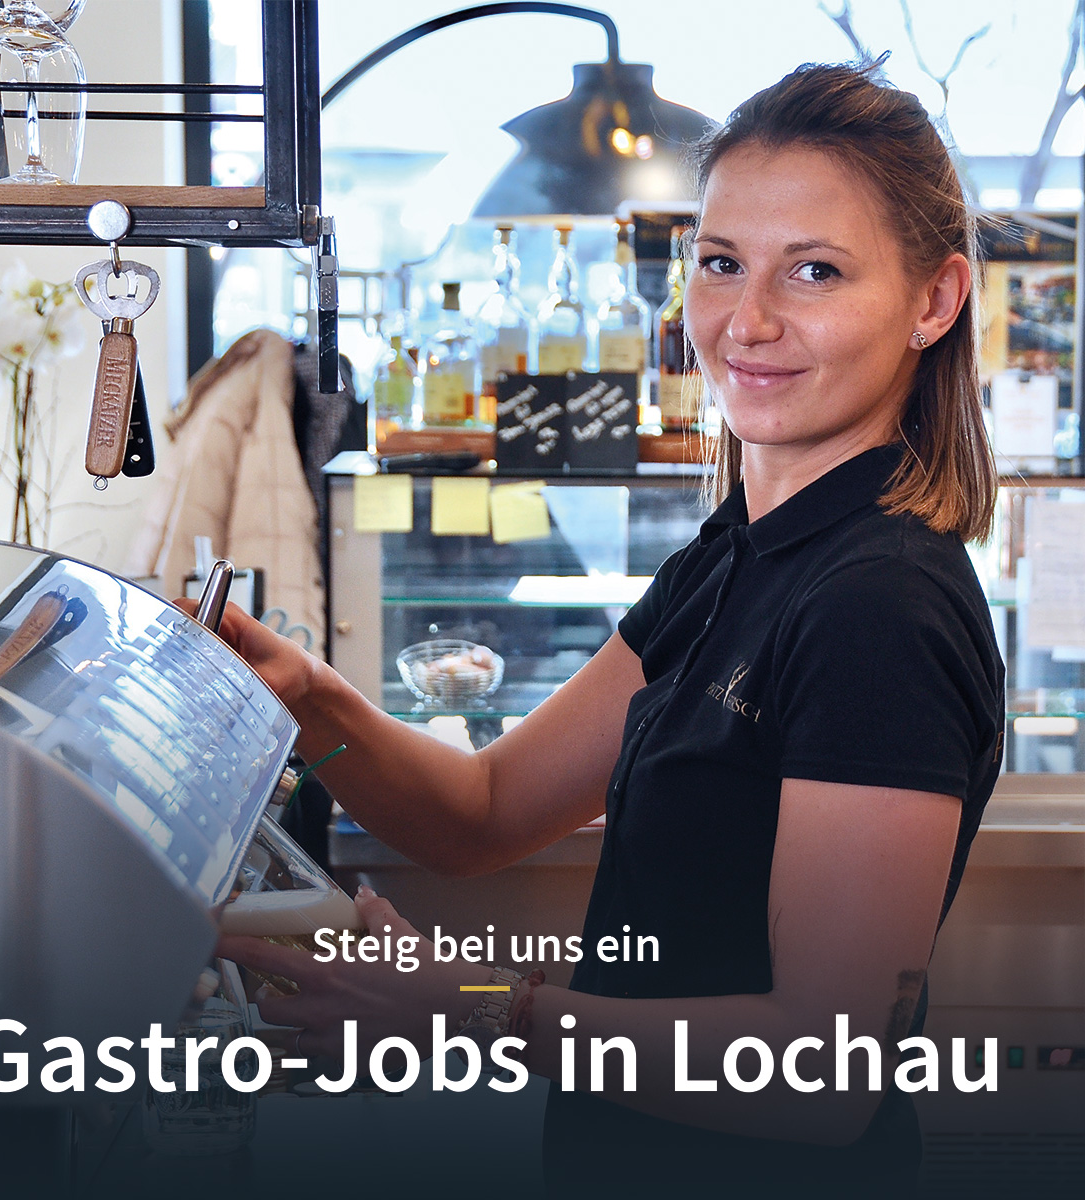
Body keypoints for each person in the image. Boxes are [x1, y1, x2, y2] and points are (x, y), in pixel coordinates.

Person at [202, 62, 1005, 1198]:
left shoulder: (880, 604)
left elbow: (819, 1077)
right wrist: (297, 698)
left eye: (815, 271)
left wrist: (474, 1007)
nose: (749, 321)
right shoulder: (729, 558)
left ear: (935, 301)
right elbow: (479, 816)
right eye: (721, 263)